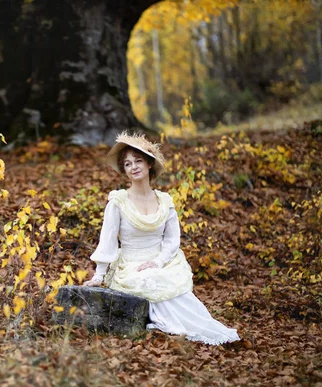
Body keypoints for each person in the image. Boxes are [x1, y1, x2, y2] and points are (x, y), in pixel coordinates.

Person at [83, 130, 240, 345]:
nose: (134, 167)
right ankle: (168, 326)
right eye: (127, 164)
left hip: (161, 258)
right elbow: (107, 240)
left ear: (149, 164)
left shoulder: (165, 201)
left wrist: (158, 261)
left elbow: (172, 240)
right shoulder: (118, 201)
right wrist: (99, 275)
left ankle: (200, 329)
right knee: (147, 279)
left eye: (138, 161)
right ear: (124, 171)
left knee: (167, 281)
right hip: (130, 263)